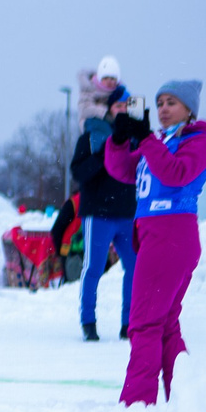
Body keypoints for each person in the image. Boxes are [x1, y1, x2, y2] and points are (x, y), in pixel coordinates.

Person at [103, 80, 206, 407]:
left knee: (143, 323)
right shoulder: (161, 141)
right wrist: (119, 138)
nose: (163, 109)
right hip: (156, 236)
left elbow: (175, 173)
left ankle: (137, 403)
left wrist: (145, 139)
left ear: (189, 109)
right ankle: (183, 394)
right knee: (165, 323)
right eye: (159, 103)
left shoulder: (201, 140)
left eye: (171, 102)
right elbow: (122, 170)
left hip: (171, 235)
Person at [71, 99, 136, 340]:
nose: (122, 110)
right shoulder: (91, 136)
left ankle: (129, 324)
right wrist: (102, 155)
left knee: (135, 266)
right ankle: (88, 322)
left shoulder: (134, 135)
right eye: (117, 106)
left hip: (128, 211)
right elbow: (78, 172)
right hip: (98, 212)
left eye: (126, 106)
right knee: (94, 267)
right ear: (109, 110)